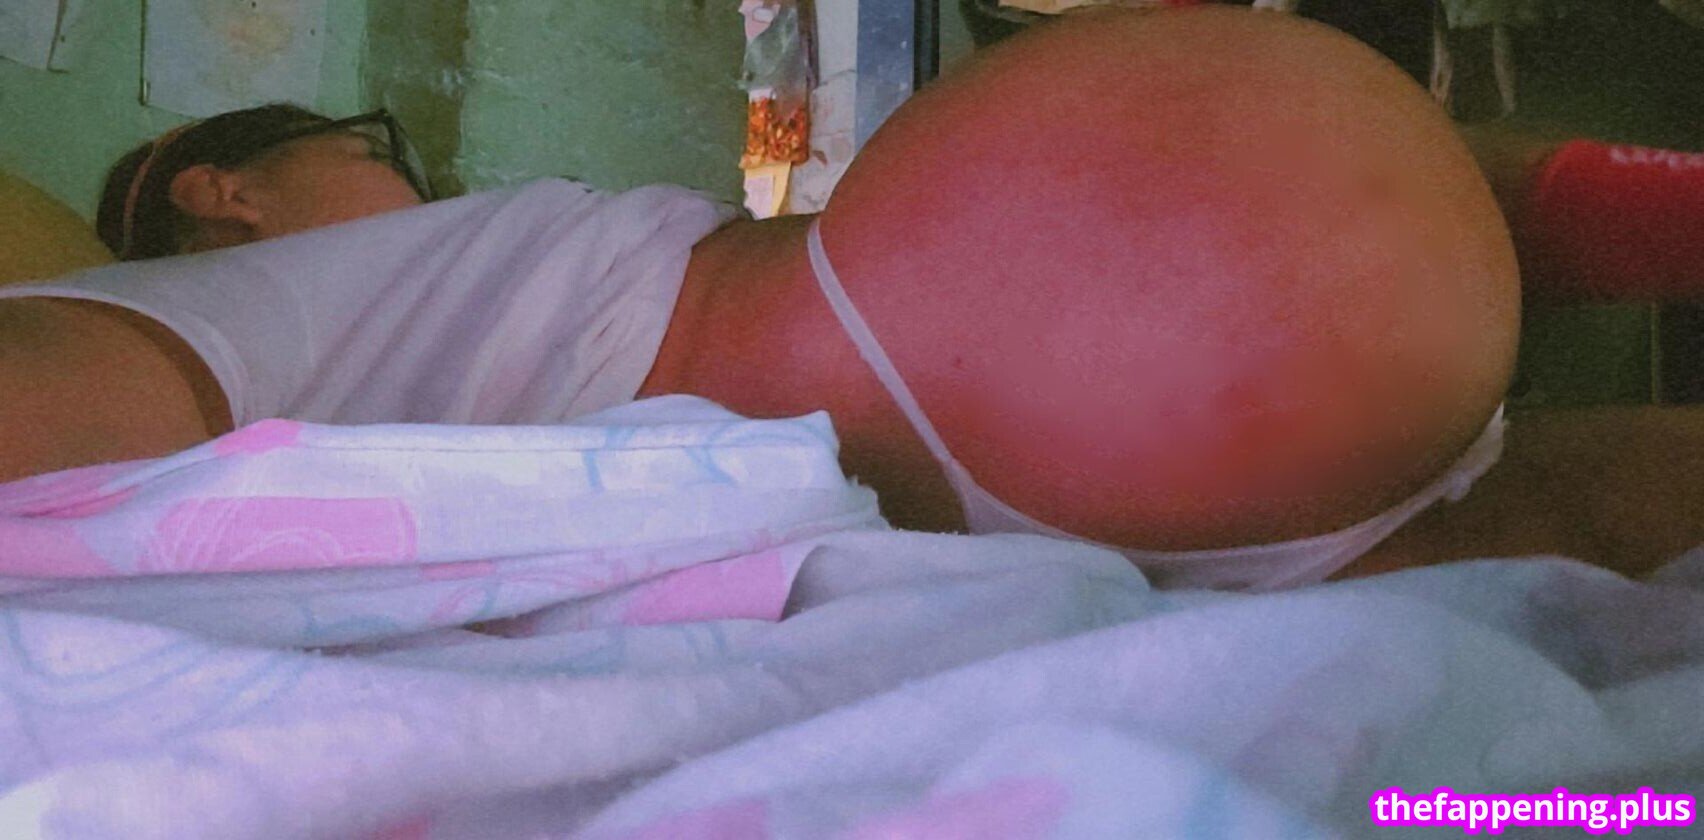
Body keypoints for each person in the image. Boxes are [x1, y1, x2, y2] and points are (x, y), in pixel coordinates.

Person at [0, 6, 1651, 589]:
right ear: (228, 192)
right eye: (363, 146)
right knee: (1428, 199)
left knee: (1567, 518)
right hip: (1001, 341)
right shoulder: (202, 320)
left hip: (1101, 491)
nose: (404, 168)